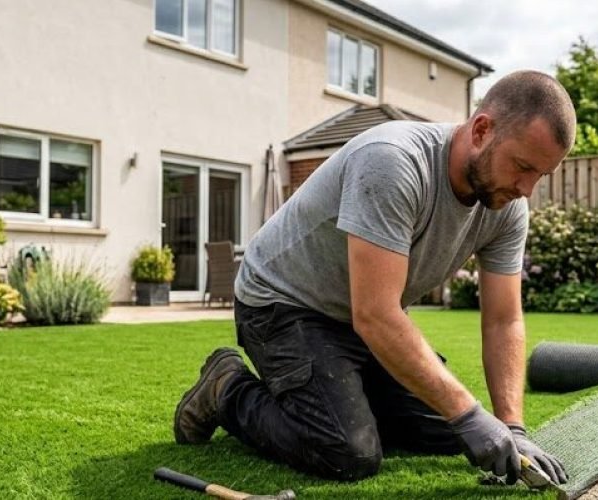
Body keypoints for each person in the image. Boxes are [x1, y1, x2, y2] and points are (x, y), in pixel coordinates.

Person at [173, 70, 575, 485]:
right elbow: (377, 315)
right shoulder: (393, 161)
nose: (527, 189)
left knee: (452, 432)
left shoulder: (508, 207)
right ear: (481, 129)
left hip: (357, 317)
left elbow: (503, 319)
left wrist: (512, 427)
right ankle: (227, 388)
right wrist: (469, 413)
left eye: (540, 175)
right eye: (522, 167)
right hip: (283, 304)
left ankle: (347, 396)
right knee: (348, 451)